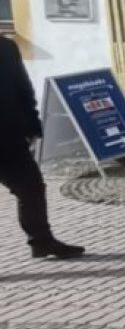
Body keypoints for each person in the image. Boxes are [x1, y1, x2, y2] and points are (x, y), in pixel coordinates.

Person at [0, 33, 84, 259]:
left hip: (8, 137)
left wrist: (32, 125)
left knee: (31, 188)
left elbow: (23, 88)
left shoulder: (6, 47)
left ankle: (41, 242)